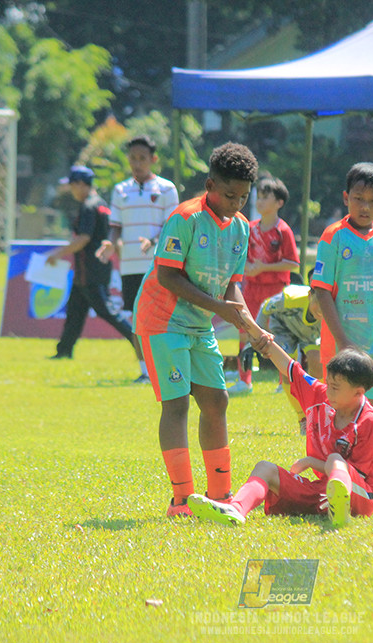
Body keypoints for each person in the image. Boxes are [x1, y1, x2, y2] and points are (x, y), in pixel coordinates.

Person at [133, 142, 259, 518]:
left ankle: (220, 494)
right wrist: (220, 308)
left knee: (217, 401)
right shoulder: (185, 218)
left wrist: (247, 322)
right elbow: (168, 276)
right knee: (177, 404)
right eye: (229, 194)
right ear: (210, 184)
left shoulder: (240, 228)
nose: (236, 203)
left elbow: (231, 285)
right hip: (163, 321)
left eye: (243, 197)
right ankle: (182, 501)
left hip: (201, 323)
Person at [187, 344, 373, 530]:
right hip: (324, 491)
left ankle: (340, 510)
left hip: (362, 495)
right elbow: (291, 368)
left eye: (335, 387)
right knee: (264, 467)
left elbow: (359, 475)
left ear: (358, 393)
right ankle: (236, 509)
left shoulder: (370, 421)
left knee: (335, 460)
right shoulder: (321, 396)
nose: (328, 390)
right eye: (329, 383)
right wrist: (262, 338)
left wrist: (311, 462)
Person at [311, 162, 373, 507]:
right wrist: (342, 341)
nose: (365, 206)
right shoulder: (333, 237)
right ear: (346, 198)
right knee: (338, 417)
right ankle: (336, 478)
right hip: (343, 349)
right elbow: (322, 291)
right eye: (358, 198)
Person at [96, 135, 180, 383]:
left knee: (163, 318)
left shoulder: (167, 189)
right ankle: (145, 372)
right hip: (130, 265)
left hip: (160, 266)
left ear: (153, 159)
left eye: (142, 158)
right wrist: (110, 242)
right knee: (137, 318)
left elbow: (172, 225)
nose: (137, 163)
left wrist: (153, 241)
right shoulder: (121, 190)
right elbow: (115, 226)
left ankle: (167, 367)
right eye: (133, 158)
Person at [45, 166, 142, 377]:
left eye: (72, 184)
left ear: (81, 184)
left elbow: (83, 238)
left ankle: (140, 347)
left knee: (108, 312)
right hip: (88, 271)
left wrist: (57, 254)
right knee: (75, 312)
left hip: (91, 270)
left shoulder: (89, 207)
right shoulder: (101, 205)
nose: (70, 189)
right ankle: (63, 351)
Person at [229, 176, 299, 395]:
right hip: (251, 289)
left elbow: (293, 262)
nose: (259, 202)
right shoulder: (249, 228)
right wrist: (247, 266)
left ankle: (283, 382)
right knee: (245, 331)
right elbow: (240, 256)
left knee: (278, 335)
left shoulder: (283, 230)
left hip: (276, 291)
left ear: (279, 202)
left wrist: (264, 268)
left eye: (265, 197)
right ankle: (244, 380)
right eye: (258, 197)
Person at [254, 275, 323, 432]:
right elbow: (266, 307)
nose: (320, 310)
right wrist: (258, 337)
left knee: (317, 362)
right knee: (286, 368)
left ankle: (318, 413)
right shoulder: (290, 299)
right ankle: (303, 418)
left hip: (310, 333)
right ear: (309, 295)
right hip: (283, 327)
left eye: (324, 306)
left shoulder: (330, 306)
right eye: (317, 304)